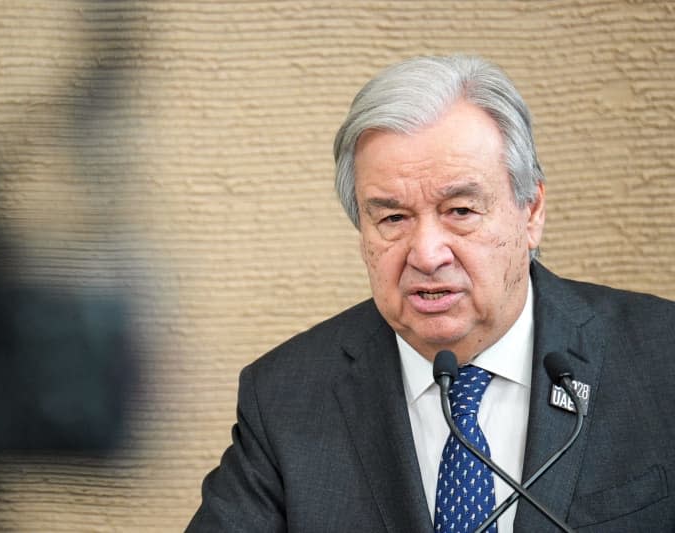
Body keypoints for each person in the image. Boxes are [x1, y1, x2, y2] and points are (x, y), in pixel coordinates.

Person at [186, 55, 675, 532]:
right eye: (393, 218)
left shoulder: (660, 357)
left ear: (531, 212)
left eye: (460, 210)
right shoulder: (285, 397)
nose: (426, 254)